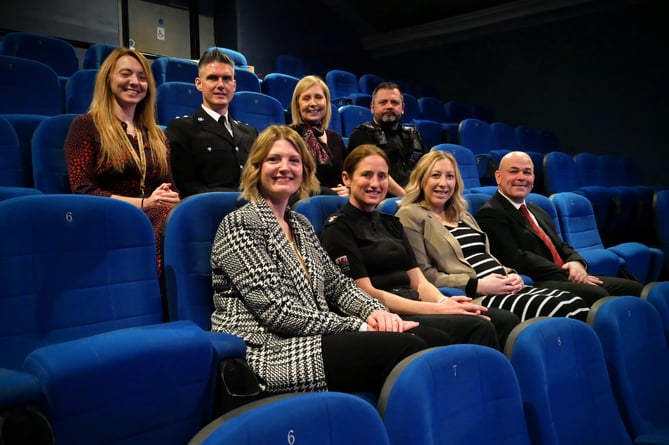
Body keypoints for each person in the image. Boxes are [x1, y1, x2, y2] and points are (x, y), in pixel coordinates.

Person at [210, 125, 452, 396]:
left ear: (304, 170)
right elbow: (278, 312)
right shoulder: (241, 224)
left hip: (313, 336)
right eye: (273, 159)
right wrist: (360, 325)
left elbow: (338, 285)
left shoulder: (299, 223)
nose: (285, 167)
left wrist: (375, 312)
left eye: (294, 160)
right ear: (256, 167)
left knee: (436, 340)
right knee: (410, 348)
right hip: (269, 351)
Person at [320, 144, 520, 349]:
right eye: (367, 175)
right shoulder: (338, 229)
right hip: (384, 313)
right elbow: (366, 293)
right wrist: (436, 309)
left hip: (415, 303)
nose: (375, 183)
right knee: (478, 327)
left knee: (504, 320)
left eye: (382, 176)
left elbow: (419, 282)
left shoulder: (391, 223)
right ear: (346, 178)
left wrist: (443, 302)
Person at [396, 150, 590, 321]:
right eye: (435, 175)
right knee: (563, 308)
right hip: (475, 294)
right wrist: (477, 285)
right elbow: (423, 275)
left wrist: (510, 273)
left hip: (503, 286)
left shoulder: (462, 214)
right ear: (421, 180)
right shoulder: (410, 215)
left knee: (574, 301)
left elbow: (487, 256)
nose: (443, 183)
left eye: (450, 176)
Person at [64, 47, 180, 278]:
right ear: (109, 79)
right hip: (107, 217)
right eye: (126, 74)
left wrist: (171, 197)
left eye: (142, 76)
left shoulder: (156, 135)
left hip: (158, 214)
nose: (135, 82)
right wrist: (144, 204)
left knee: (187, 214)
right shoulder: (85, 126)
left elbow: (170, 186)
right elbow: (82, 192)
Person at [476, 151, 643, 306]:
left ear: (533, 179)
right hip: (536, 280)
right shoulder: (491, 213)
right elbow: (518, 259)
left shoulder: (537, 210)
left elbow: (561, 245)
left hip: (564, 275)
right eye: (514, 172)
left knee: (633, 288)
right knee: (597, 294)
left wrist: (576, 263)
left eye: (527, 172)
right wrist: (570, 276)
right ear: (498, 177)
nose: (521, 177)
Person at [166, 48, 258, 198]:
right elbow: (188, 187)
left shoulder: (250, 133)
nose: (221, 85)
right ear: (199, 83)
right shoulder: (182, 129)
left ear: (234, 86)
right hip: (210, 212)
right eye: (213, 78)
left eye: (227, 78)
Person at [346, 82, 427, 197]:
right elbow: (374, 176)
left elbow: (426, 171)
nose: (389, 106)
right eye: (383, 102)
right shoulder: (362, 134)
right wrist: (407, 199)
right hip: (382, 201)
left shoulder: (415, 136)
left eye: (394, 102)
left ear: (402, 108)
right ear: (372, 107)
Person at [289, 75, 347, 196]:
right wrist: (330, 193)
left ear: (326, 102)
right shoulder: (289, 136)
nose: (313, 103)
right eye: (306, 98)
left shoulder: (336, 138)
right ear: (297, 105)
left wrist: (349, 189)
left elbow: (348, 176)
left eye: (318, 97)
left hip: (340, 205)